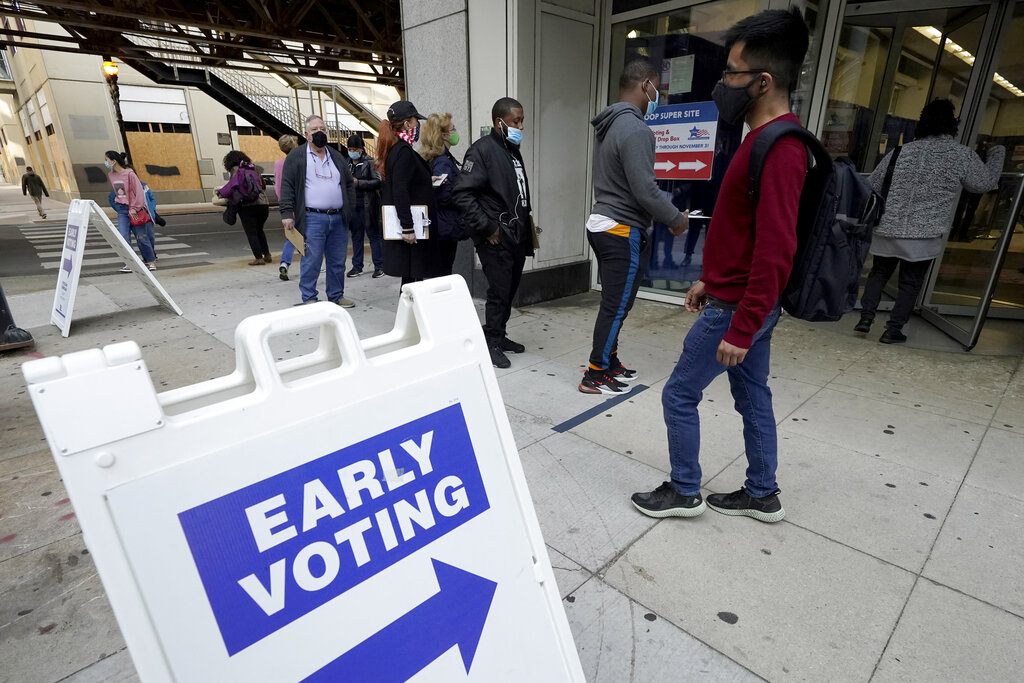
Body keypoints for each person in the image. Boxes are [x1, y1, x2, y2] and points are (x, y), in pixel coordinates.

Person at [632, 9, 810, 523]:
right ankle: (762, 493)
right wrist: (710, 278)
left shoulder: (780, 147)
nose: (722, 83)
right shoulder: (761, 139)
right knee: (753, 395)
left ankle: (685, 490)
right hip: (735, 299)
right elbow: (744, 233)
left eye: (732, 72)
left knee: (678, 395)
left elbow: (777, 250)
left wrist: (744, 323)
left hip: (740, 310)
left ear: (763, 81)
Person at [855, 99, 1005, 344]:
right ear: (952, 124)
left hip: (888, 226)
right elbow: (982, 184)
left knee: (879, 272)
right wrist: (997, 154)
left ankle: (866, 318)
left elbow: (872, 182)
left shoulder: (901, 151)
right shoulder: (961, 155)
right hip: (923, 233)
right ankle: (892, 330)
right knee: (910, 282)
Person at [582, 61, 689, 395]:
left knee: (618, 303)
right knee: (616, 306)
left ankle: (609, 361)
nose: (659, 96)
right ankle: (595, 373)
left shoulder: (610, 124)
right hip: (620, 228)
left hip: (604, 222)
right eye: (658, 88)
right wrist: (676, 219)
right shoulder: (636, 129)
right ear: (646, 85)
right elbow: (645, 189)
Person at [452, 98, 535, 369]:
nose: (520, 126)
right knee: (499, 291)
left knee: (509, 289)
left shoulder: (511, 150)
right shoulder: (482, 151)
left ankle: (500, 334)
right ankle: (491, 343)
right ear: (499, 122)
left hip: (517, 233)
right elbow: (462, 194)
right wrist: (488, 228)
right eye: (515, 121)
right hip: (496, 236)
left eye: (522, 120)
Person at [279, 115, 356, 307]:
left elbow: (348, 184)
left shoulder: (336, 156)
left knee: (338, 261)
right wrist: (287, 214)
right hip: (312, 218)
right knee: (311, 261)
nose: (319, 132)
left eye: (322, 128)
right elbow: (287, 186)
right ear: (306, 134)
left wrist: (349, 210)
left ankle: (336, 296)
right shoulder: (296, 156)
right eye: (314, 130)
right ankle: (309, 298)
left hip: (338, 218)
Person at [377, 100, 440, 286]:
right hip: (413, 228)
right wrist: (408, 228)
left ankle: (410, 315)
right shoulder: (403, 151)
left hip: (415, 224)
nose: (418, 125)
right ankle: (410, 315)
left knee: (412, 281)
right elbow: (400, 189)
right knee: (412, 282)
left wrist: (425, 181)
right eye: (415, 121)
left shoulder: (399, 149)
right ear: (406, 124)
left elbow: (405, 182)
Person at [419, 112, 463, 276]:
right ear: (443, 135)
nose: (455, 132)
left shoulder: (432, 158)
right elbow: (445, 195)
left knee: (436, 273)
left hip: (437, 226)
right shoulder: (443, 161)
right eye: (453, 129)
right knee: (442, 273)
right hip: (444, 228)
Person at [104, 150, 157, 272]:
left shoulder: (130, 174)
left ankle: (150, 261)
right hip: (122, 210)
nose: (105, 162)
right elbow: (118, 193)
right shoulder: (111, 175)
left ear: (114, 161)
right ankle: (130, 263)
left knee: (141, 236)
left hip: (135, 210)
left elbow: (139, 193)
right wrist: (119, 206)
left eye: (107, 160)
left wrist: (134, 208)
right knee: (123, 237)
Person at [218, 150, 271, 265]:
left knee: (251, 232)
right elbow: (263, 185)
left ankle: (258, 258)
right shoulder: (253, 168)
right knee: (259, 230)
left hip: (247, 206)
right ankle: (267, 254)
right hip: (263, 204)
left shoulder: (235, 170)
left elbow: (233, 188)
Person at [346, 134, 385, 279]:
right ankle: (357, 266)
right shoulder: (347, 163)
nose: (352, 151)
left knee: (373, 236)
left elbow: (378, 181)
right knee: (356, 237)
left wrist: (359, 183)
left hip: (368, 206)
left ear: (361, 149)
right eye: (350, 149)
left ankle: (379, 266)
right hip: (353, 206)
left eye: (355, 149)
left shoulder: (370, 162)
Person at [274, 134, 299, 281]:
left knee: (291, 236)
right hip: (300, 204)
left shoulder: (278, 164)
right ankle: (309, 264)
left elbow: (278, 187)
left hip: (286, 204)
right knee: (307, 235)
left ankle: (285, 262)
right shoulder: (299, 161)